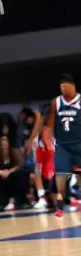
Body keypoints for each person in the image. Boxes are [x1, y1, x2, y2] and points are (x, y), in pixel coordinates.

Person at [32, 74, 81, 219]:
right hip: (62, 145)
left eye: (65, 86)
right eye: (61, 87)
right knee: (60, 175)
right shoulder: (56, 102)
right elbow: (50, 123)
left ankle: (75, 196)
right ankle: (59, 207)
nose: (63, 89)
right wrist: (47, 138)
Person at [0, 136, 29, 212]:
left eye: (5, 144)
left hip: (13, 172)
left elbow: (20, 164)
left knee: (21, 174)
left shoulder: (14, 151)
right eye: (2, 145)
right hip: (2, 173)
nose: (4, 146)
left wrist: (9, 172)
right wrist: (1, 172)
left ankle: (18, 201)